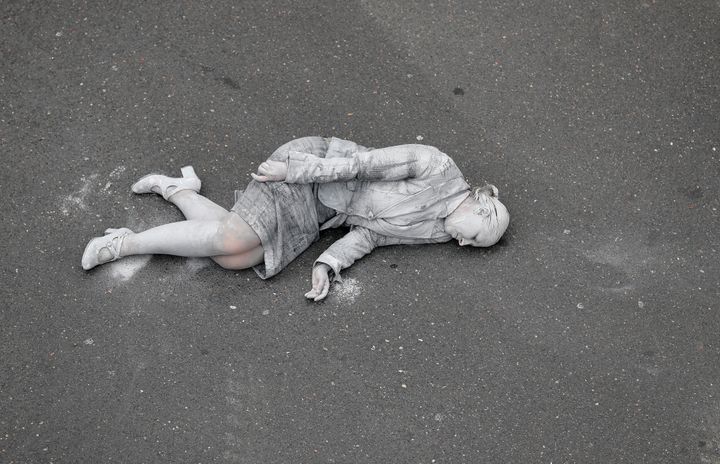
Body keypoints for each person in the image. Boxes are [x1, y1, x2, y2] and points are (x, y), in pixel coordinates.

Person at [81, 137, 509, 301]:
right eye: (473, 237)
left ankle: (178, 190)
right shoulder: (435, 165)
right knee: (232, 239)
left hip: (323, 211)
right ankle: (125, 242)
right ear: (477, 207)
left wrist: (330, 264)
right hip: (312, 166)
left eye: (471, 247)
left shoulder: (437, 232)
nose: (463, 246)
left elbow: (371, 237)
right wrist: (296, 170)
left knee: (237, 258)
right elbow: (361, 164)